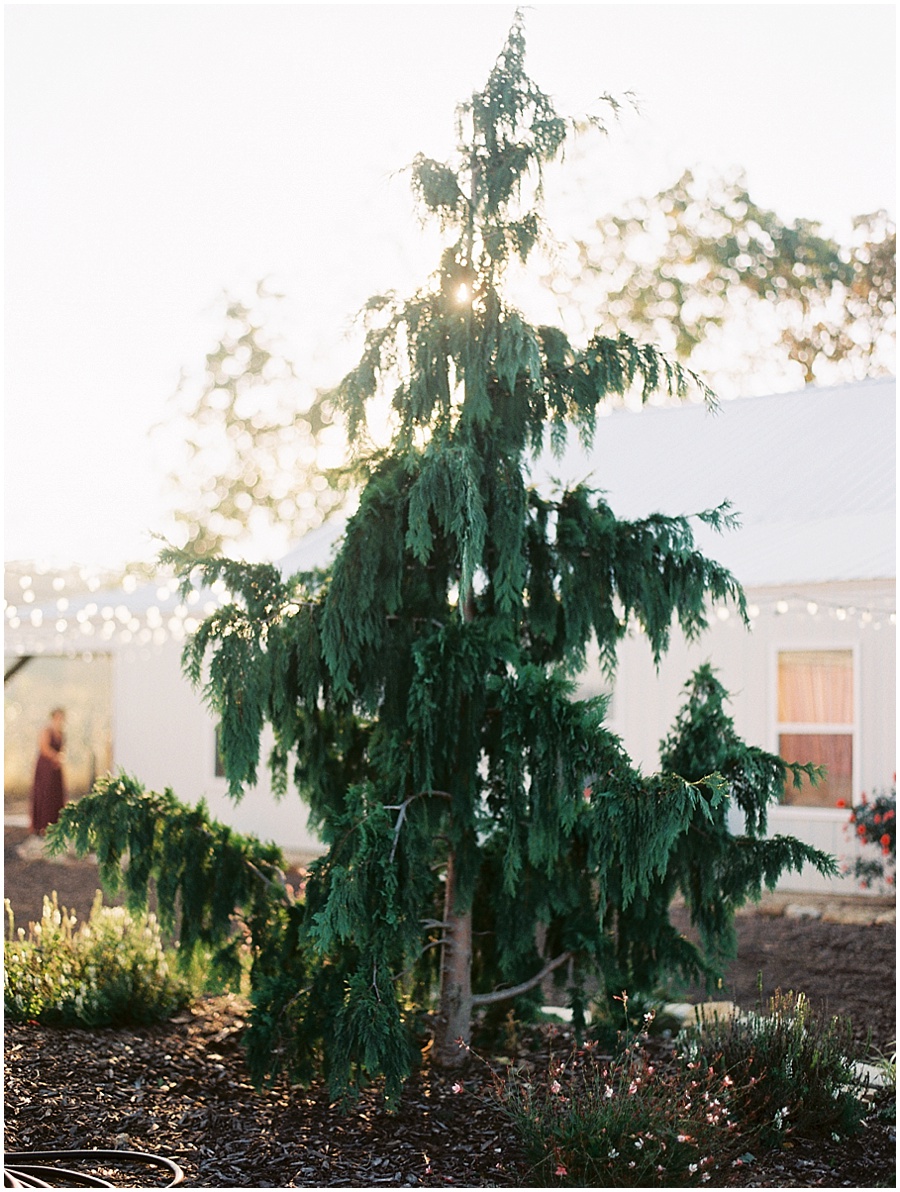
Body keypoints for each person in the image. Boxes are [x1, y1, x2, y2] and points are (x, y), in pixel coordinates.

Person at [30, 707, 67, 835]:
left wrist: (60, 757)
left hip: (56, 768)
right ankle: (42, 825)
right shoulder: (46, 731)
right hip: (45, 767)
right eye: (57, 717)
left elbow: (62, 749)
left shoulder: (61, 733)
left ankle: (55, 824)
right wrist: (55, 756)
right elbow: (44, 748)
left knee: (55, 794)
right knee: (44, 794)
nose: (59, 720)